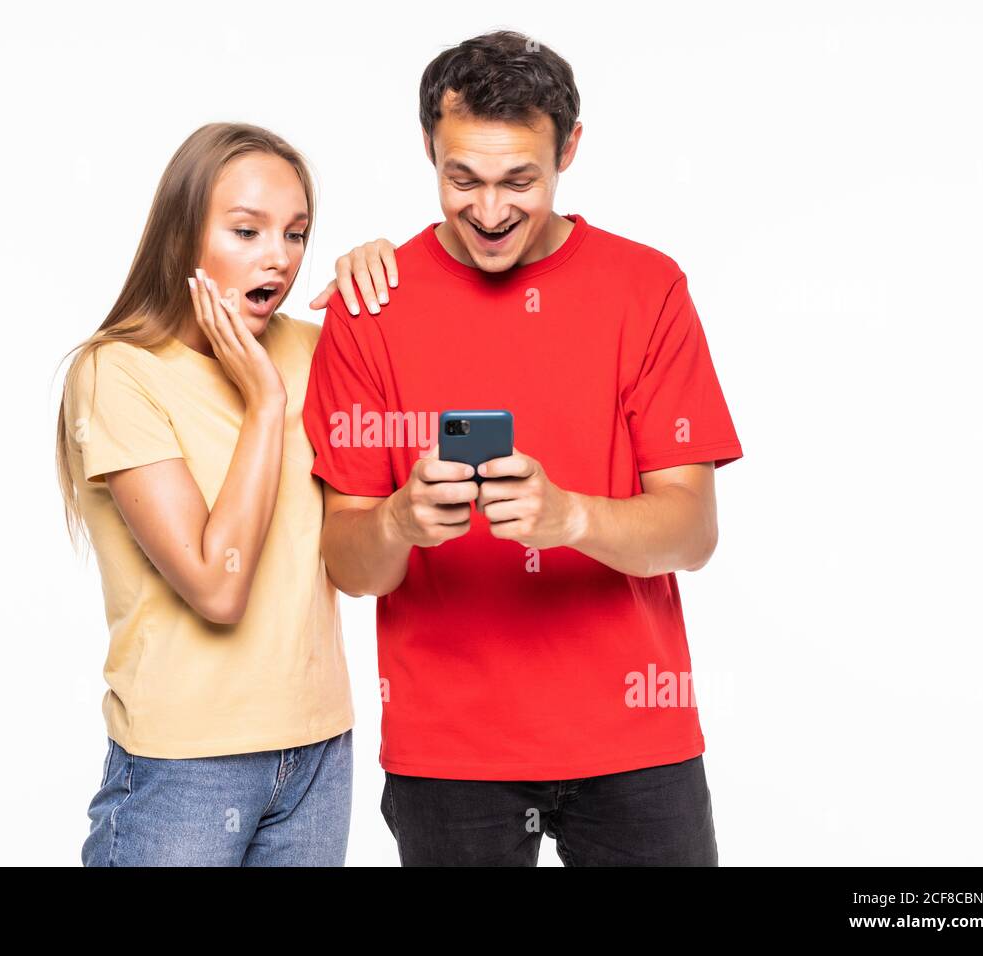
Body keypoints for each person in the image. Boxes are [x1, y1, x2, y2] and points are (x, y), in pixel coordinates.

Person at [302, 30, 744, 866]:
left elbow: (693, 533)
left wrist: (571, 516)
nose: (491, 211)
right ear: (427, 147)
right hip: (450, 757)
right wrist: (397, 522)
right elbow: (349, 566)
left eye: (521, 179)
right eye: (461, 177)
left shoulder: (647, 289)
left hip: (636, 745)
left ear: (570, 149)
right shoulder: (371, 306)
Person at [56, 122, 393, 866]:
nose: (278, 256)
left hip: (317, 753)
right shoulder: (117, 374)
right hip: (183, 766)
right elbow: (217, 587)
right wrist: (265, 405)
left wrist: (392, 270)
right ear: (182, 235)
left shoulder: (317, 349)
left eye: (297, 234)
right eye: (247, 230)